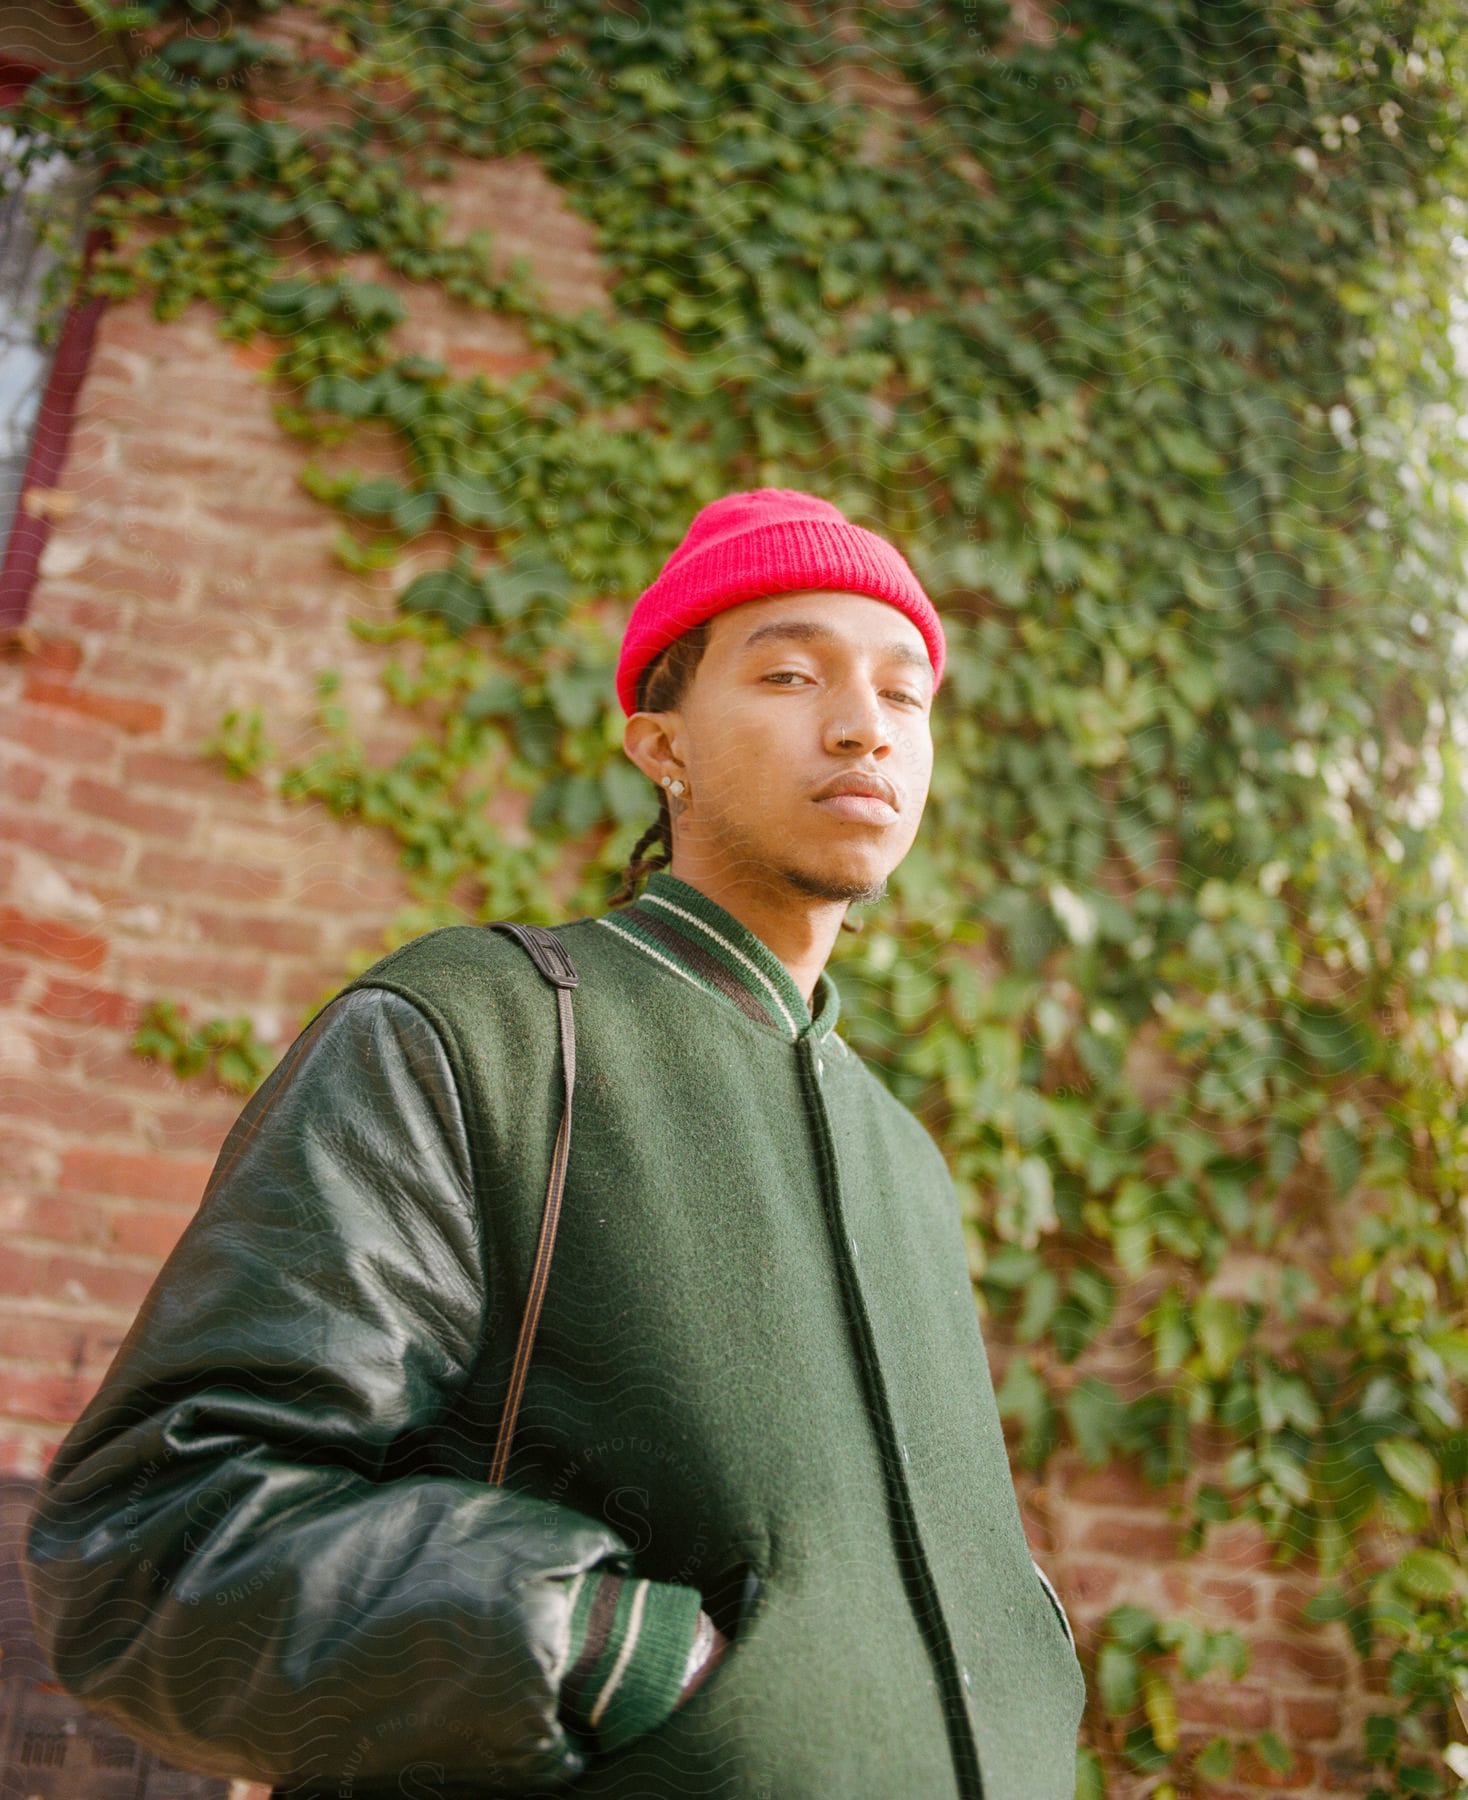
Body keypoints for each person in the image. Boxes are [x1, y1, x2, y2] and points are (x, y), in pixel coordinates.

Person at [22, 488, 1086, 1798]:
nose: (865, 725)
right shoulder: (482, 1029)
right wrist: (610, 1653)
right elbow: (156, 1545)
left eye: (907, 694)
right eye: (792, 672)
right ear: (661, 744)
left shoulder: (908, 1162)